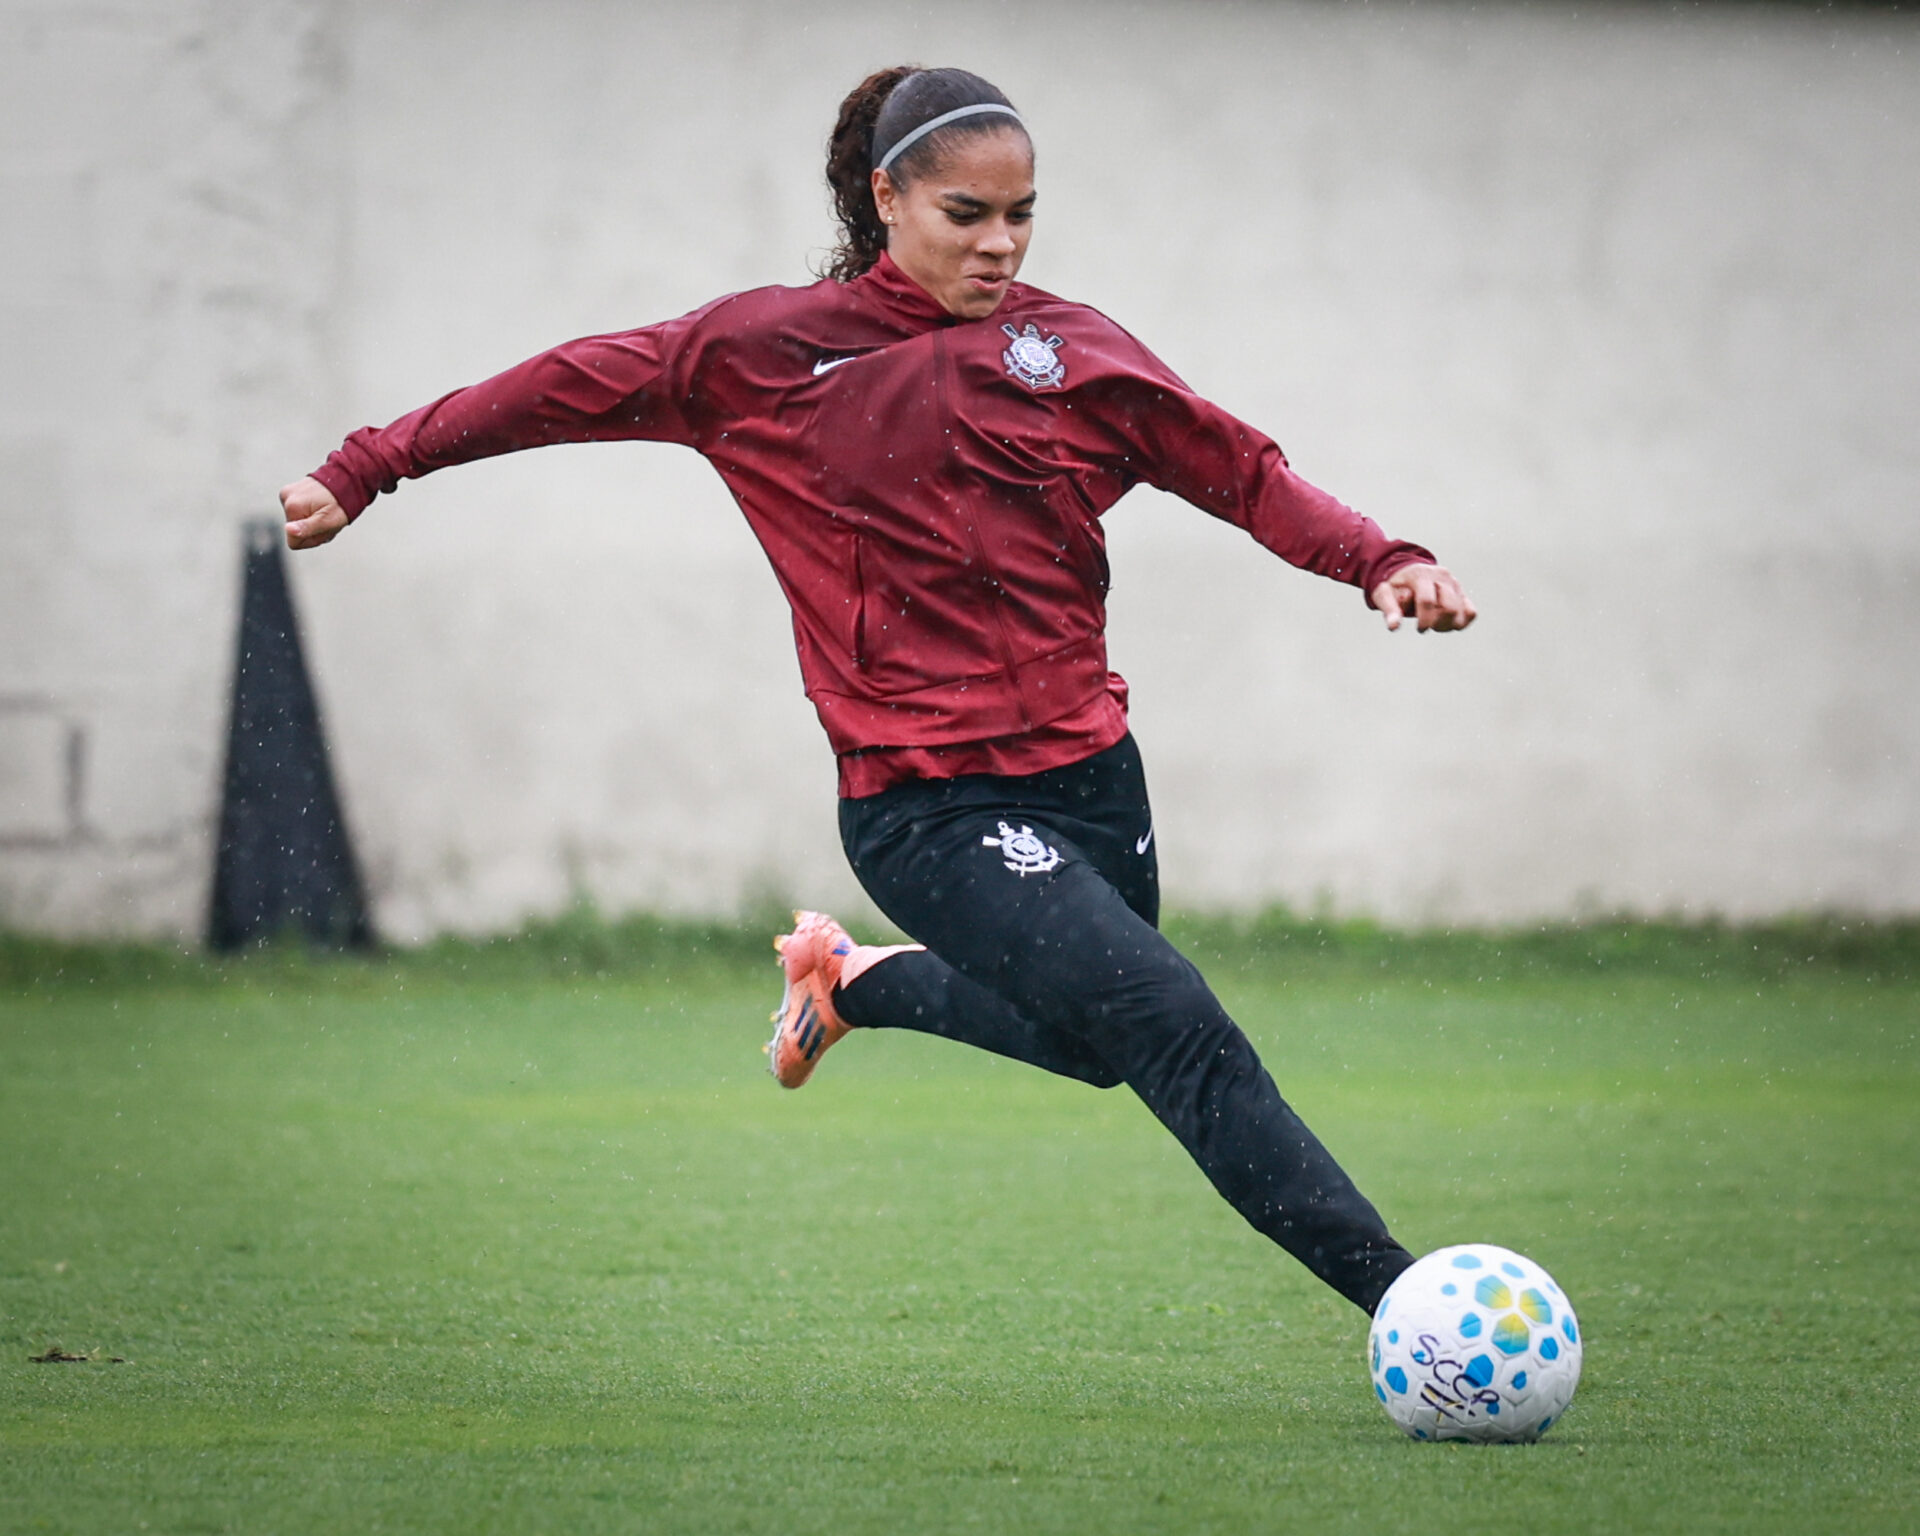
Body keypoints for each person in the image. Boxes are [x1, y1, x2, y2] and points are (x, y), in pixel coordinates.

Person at [281, 66, 1476, 1316]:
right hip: (926, 803)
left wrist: (1382, 559)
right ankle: (1414, 1312)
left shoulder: (1074, 351)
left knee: (1094, 1045)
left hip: (1086, 767)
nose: (1001, 243)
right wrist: (369, 468)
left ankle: (850, 984)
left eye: (1022, 214)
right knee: (1172, 1022)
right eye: (968, 214)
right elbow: (555, 387)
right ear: (886, 197)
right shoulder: (759, 354)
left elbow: (1241, 468)